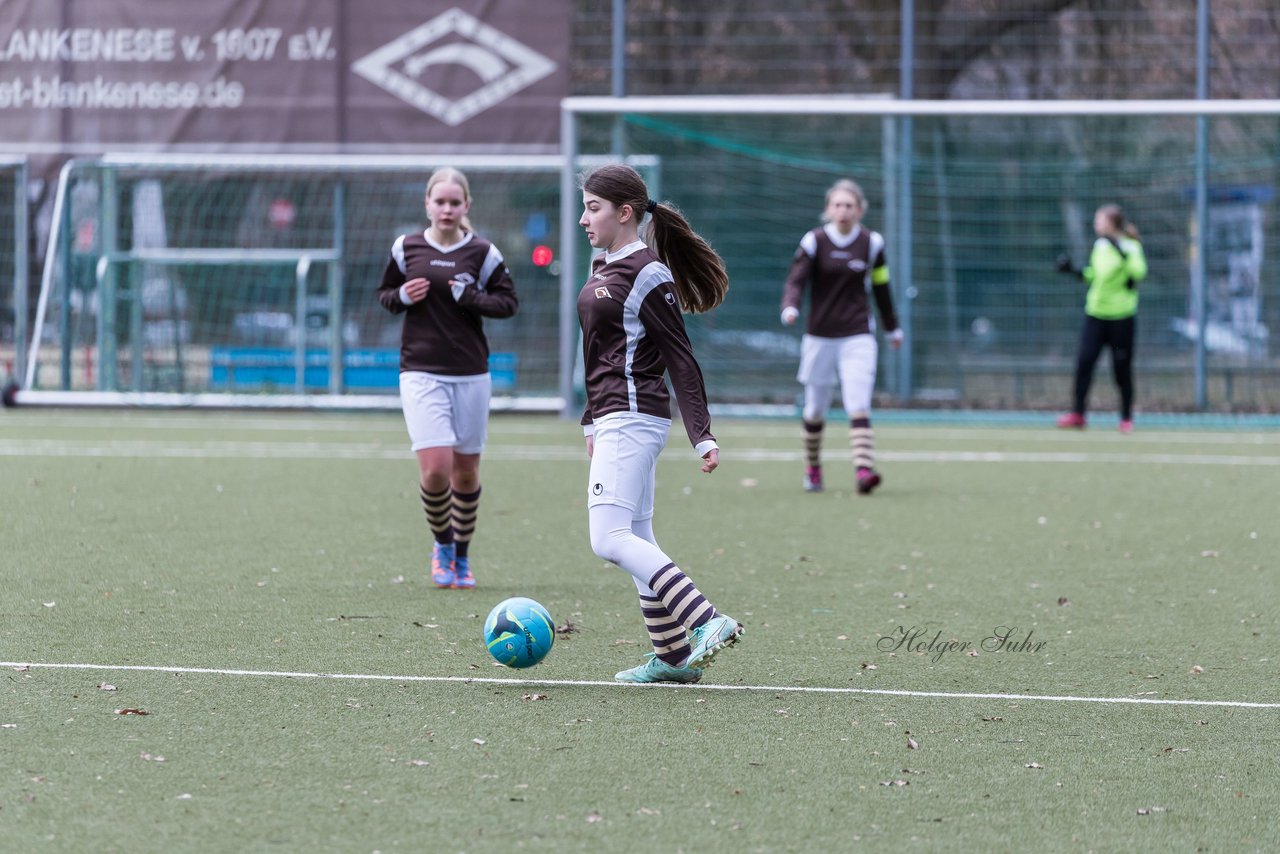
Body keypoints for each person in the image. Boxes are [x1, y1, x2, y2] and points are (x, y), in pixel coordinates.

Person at [577, 163, 743, 684]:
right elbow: (597, 353)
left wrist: (702, 433)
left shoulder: (649, 273)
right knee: (638, 536)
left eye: (593, 207)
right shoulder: (601, 264)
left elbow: (681, 357)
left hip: (634, 417)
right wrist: (589, 420)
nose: (583, 218)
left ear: (625, 213)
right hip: (613, 418)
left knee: (608, 539)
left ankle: (708, 620)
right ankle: (672, 658)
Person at [376, 167, 518, 589]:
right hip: (420, 371)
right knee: (436, 469)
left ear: (466, 206)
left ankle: (461, 557)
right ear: (427, 204)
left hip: (471, 373)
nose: (447, 209)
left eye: (455, 202)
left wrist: (471, 297)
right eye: (440, 201)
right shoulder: (407, 247)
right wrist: (402, 296)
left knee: (466, 474)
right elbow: (385, 295)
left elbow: (508, 303)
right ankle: (442, 545)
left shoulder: (483, 252)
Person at [780, 179, 903, 495]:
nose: (843, 210)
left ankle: (863, 471)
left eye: (849, 205)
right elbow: (796, 281)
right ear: (828, 209)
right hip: (819, 336)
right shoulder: (814, 241)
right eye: (837, 204)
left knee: (858, 403)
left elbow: (881, 287)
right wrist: (790, 307)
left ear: (860, 209)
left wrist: (892, 327)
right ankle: (813, 469)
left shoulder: (872, 244)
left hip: (858, 334)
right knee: (815, 409)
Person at [1055, 204, 1147, 433]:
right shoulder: (1100, 246)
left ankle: (1126, 418)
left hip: (1121, 317)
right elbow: (1094, 276)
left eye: (1099, 220)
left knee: (1121, 369)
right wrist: (1073, 270)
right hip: (1095, 315)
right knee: (1084, 363)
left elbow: (1138, 272)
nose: (1096, 224)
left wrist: (1121, 252)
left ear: (1111, 223)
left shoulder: (1131, 246)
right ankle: (1078, 413)